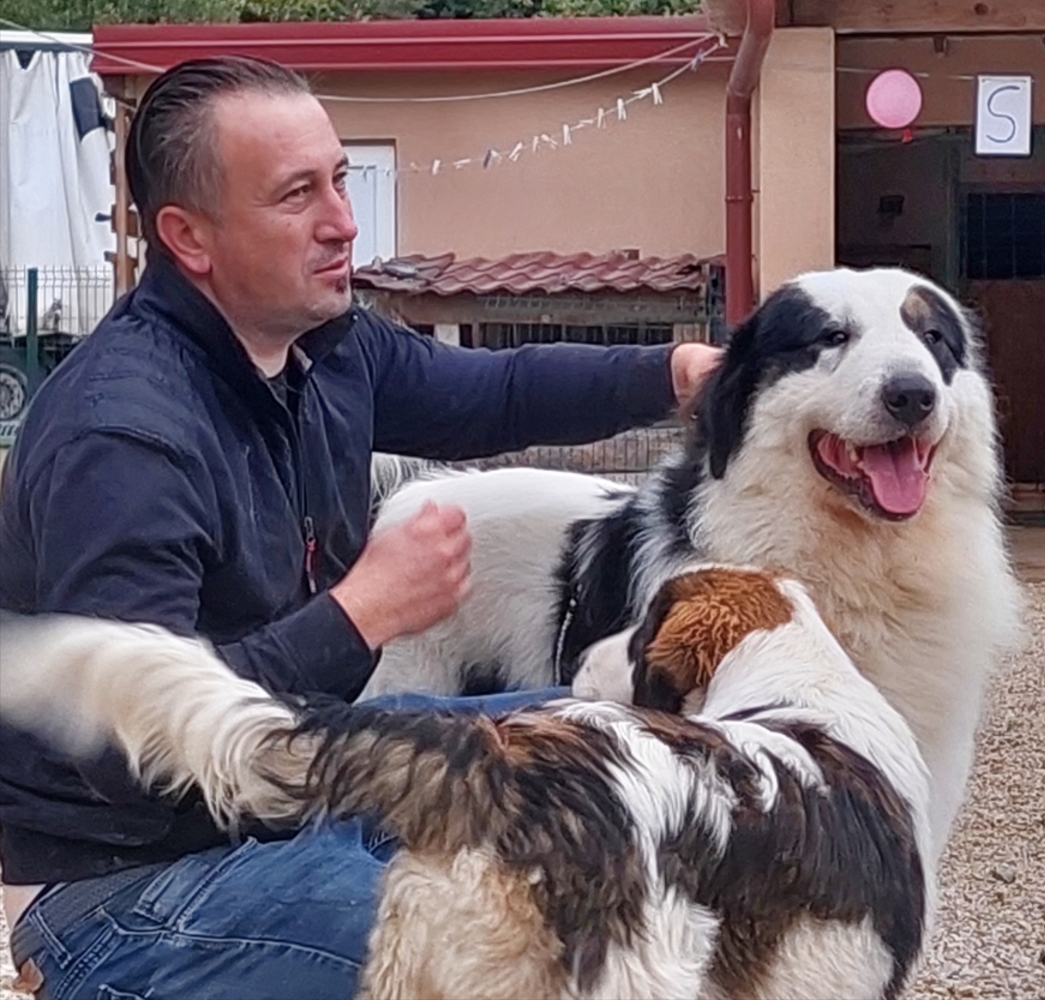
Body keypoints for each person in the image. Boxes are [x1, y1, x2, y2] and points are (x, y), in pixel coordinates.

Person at [0, 55, 720, 999]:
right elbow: (137, 755)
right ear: (190, 237)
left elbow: (494, 393)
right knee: (489, 948)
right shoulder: (125, 436)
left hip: (300, 783)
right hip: (121, 884)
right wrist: (363, 611)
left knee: (618, 752)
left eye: (339, 179)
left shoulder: (324, 349)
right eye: (297, 194)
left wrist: (676, 375)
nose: (342, 220)